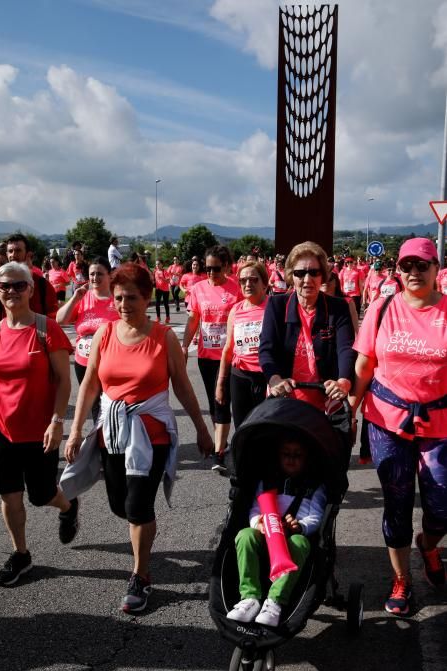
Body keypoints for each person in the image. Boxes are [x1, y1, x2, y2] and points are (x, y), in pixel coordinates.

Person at [62, 263, 213, 613]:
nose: (124, 304)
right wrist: (75, 432)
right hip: (113, 431)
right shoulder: (105, 333)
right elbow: (89, 386)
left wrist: (202, 430)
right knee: (119, 505)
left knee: (137, 506)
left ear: (147, 297)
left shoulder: (163, 336)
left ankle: (140, 576)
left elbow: (183, 386)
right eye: (118, 298)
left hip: (152, 434)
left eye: (132, 297)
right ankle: (138, 538)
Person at [350, 237, 447, 616]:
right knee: (398, 502)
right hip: (388, 420)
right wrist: (350, 412)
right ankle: (401, 578)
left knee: (441, 504)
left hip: (439, 422)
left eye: (421, 265)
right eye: (407, 266)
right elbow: (363, 367)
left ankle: (428, 544)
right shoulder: (382, 307)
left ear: (436, 268)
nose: (413, 272)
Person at [0, 262, 77, 586]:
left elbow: (64, 381)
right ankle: (21, 554)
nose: (11, 291)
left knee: (42, 494)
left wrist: (57, 421)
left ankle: (67, 506)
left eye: (18, 285)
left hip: (39, 429)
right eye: (4, 286)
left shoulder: (46, 328)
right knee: (9, 495)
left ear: (31, 290)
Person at [227, 435, 326, 627]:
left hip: (292, 536)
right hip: (266, 534)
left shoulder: (315, 486)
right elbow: (255, 508)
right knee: (244, 535)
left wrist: (301, 525)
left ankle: (275, 600)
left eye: (297, 455)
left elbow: (317, 515)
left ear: (307, 459)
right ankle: (250, 597)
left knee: (300, 543)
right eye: (286, 454)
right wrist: (258, 523)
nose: (291, 459)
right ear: (277, 457)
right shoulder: (267, 481)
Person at [259, 241, 356, 410]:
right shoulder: (276, 305)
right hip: (284, 394)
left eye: (314, 272)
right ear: (291, 276)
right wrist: (274, 378)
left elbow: (345, 349)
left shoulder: (338, 307)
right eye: (299, 273)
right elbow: (267, 348)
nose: (307, 279)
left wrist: (343, 381)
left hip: (326, 399)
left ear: (322, 276)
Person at [181, 245, 241, 473]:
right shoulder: (198, 288)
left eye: (216, 269)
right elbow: (194, 319)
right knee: (214, 402)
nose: (211, 274)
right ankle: (222, 444)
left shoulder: (236, 288)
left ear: (226, 266)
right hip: (206, 356)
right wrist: (185, 345)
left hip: (231, 355)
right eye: (208, 269)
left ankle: (222, 450)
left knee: (223, 399)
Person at [56, 257, 119, 421]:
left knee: (109, 402)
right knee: (93, 403)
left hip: (110, 362)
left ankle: (110, 437)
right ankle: (99, 440)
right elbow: (60, 320)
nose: (94, 278)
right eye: (92, 274)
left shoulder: (117, 299)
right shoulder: (83, 297)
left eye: (99, 274)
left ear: (110, 275)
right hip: (83, 362)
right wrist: (75, 298)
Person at [215, 262, 269, 428]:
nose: (248, 284)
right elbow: (228, 349)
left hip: (266, 378)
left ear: (264, 284)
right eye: (243, 280)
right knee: (242, 428)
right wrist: (220, 383)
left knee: (266, 429)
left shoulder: (274, 307)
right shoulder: (236, 310)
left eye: (253, 279)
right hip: (240, 377)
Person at [0, 234, 58, 327]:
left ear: (28, 254)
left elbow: (54, 320)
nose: (13, 254)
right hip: (7, 339)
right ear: (6, 255)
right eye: (10, 251)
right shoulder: (1, 285)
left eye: (18, 250)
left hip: (36, 339)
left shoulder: (43, 285)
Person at [154, 259, 171, 324]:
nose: (157, 265)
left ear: (162, 264)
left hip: (165, 290)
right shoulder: (155, 271)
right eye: (156, 264)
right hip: (158, 289)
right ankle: (158, 317)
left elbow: (168, 281)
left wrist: (162, 278)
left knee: (165, 304)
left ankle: (167, 317)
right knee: (157, 304)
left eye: (158, 264)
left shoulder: (165, 271)